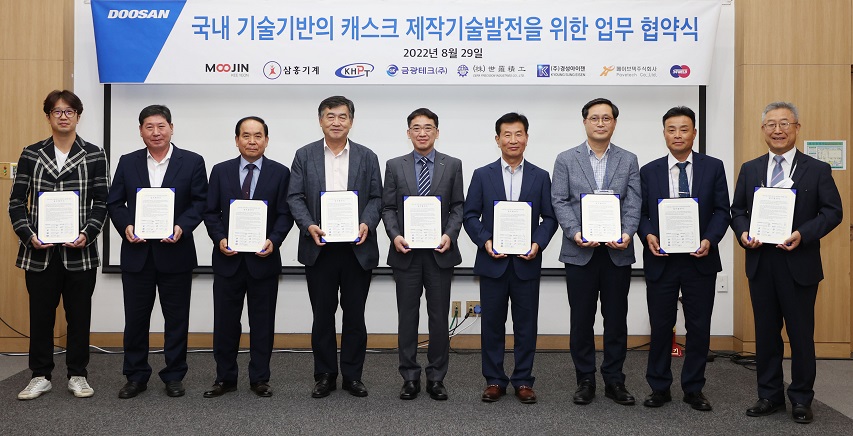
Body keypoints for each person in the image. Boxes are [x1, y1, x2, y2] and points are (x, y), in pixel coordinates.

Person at [731, 102, 842, 424]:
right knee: (766, 335)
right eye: (770, 124)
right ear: (763, 130)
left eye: (784, 124)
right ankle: (769, 395)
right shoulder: (750, 169)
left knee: (801, 335)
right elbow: (737, 211)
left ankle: (802, 399)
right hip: (761, 263)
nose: (777, 130)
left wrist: (802, 234)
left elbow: (833, 212)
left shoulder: (816, 169)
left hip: (799, 264)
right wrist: (743, 233)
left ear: (797, 127)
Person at [9, 90, 109, 400]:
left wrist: (88, 234)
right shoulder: (31, 153)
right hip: (39, 253)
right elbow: (16, 202)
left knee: (79, 317)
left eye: (69, 111)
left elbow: (102, 202)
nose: (63, 116)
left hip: (80, 253)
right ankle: (40, 375)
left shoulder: (94, 153)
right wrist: (29, 235)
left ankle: (78, 374)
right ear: (48, 116)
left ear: (78, 116)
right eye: (57, 111)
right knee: (41, 317)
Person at [106, 105, 208, 399]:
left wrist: (182, 227)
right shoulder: (128, 162)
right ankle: (136, 376)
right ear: (140, 131)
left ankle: (174, 375)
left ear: (171, 128)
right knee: (135, 320)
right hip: (137, 255)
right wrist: (125, 226)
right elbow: (115, 204)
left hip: (175, 253)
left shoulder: (191, 162)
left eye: (161, 126)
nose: (156, 132)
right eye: (149, 127)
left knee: (177, 320)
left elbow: (200, 202)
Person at [286, 96, 382, 398]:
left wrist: (366, 222)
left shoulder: (367, 156)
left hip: (357, 248)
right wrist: (308, 225)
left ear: (351, 121)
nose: (336, 122)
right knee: (323, 315)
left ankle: (353, 375)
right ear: (320, 120)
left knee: (355, 315)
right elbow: (295, 197)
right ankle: (325, 374)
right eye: (330, 116)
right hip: (320, 247)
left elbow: (377, 198)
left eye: (342, 116)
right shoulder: (304, 155)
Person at [637, 106, 730, 411]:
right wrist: (648, 235)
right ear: (664, 133)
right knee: (661, 326)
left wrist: (709, 240)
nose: (678, 135)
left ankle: (693, 388)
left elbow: (722, 211)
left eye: (684, 129)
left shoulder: (713, 167)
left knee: (699, 326)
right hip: (661, 259)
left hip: (699, 259)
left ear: (694, 133)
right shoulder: (648, 171)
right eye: (671, 129)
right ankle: (659, 387)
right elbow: (642, 214)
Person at [551, 97, 641, 406]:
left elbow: (633, 201)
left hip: (617, 252)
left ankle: (615, 380)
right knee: (582, 319)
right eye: (594, 118)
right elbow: (559, 201)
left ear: (614, 123)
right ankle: (585, 379)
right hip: (580, 252)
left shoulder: (628, 159)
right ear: (585, 122)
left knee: (616, 319)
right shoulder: (566, 159)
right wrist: (576, 232)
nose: (600, 123)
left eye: (606, 118)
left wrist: (627, 232)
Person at [463, 113, 558, 404]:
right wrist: (486, 241)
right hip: (493, 262)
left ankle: (523, 380)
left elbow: (550, 218)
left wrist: (538, 244)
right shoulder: (483, 174)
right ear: (497, 139)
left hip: (526, 263)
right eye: (507, 134)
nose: (513, 140)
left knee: (525, 326)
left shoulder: (540, 176)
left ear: (526, 138)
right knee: (492, 324)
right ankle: (494, 380)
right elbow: (469, 215)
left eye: (518, 134)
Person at [202, 116, 293, 398]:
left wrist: (273, 240)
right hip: (228, 260)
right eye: (246, 135)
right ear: (237, 140)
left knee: (262, 323)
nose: (252, 141)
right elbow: (210, 212)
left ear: (266, 140)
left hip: (263, 260)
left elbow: (285, 214)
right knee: (225, 324)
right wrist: (220, 238)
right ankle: (225, 378)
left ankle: (259, 379)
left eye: (258, 136)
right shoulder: (220, 171)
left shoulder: (280, 173)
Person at [381, 108, 464, 401]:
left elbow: (458, 207)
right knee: (407, 316)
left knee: (439, 317)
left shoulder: (452, 165)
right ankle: (410, 377)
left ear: (437, 132)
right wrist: (395, 236)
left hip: (440, 253)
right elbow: (388, 207)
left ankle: (437, 377)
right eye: (416, 128)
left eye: (428, 127)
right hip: (406, 253)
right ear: (408, 133)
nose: (422, 133)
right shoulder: (394, 165)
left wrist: (449, 235)